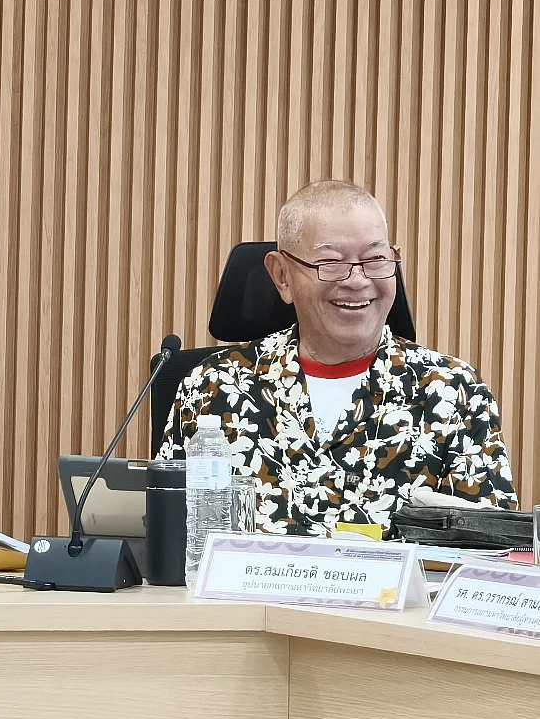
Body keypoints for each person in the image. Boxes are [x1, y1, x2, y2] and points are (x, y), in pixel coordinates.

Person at [157, 181, 517, 535]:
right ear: (282, 277)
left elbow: (494, 548)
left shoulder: (452, 391)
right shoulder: (213, 386)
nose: (357, 281)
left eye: (375, 259)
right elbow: (166, 532)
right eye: (330, 262)